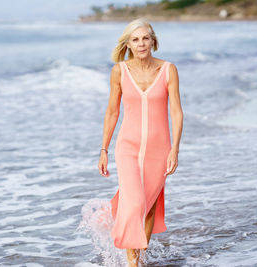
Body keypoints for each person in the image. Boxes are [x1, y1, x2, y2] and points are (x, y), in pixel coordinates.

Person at [97, 17, 184, 266]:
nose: (141, 43)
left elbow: (176, 111)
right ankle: (133, 264)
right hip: (127, 147)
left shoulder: (168, 70)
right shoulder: (119, 71)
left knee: (149, 205)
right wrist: (104, 149)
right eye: (135, 40)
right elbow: (112, 112)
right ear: (128, 44)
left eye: (145, 38)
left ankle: (140, 258)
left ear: (153, 41)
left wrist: (175, 149)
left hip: (160, 149)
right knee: (134, 203)